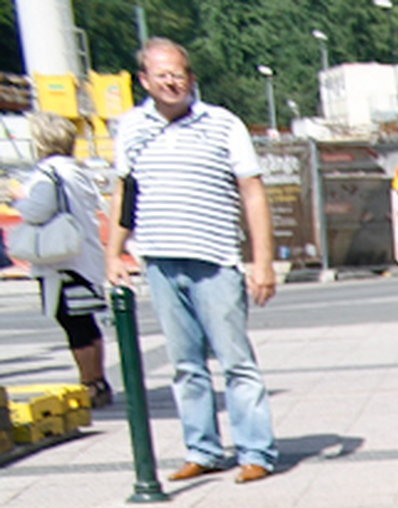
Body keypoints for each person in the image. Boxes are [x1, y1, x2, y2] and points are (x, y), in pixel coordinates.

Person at [104, 38, 278, 482]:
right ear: (143, 80)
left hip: (215, 257)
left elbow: (252, 191)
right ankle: (201, 449)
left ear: (191, 78)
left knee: (236, 360)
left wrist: (263, 261)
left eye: (178, 73)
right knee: (185, 364)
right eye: (161, 74)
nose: (171, 81)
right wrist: (113, 252)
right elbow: (126, 192)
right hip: (160, 258)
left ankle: (255, 451)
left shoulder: (222, 125)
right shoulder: (131, 128)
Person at [10, 112, 113, 404]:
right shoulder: (76, 171)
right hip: (86, 257)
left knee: (72, 323)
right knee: (86, 321)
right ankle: (99, 381)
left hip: (61, 261)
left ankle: (88, 383)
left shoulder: (46, 174)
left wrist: (18, 197)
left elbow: (37, 211)